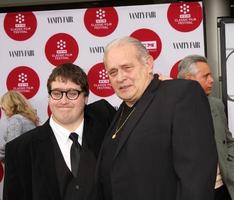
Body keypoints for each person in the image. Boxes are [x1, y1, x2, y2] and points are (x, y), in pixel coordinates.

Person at [96, 36, 218, 200]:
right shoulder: (121, 111)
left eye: (127, 67)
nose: (120, 77)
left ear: (148, 64)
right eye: (113, 72)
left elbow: (197, 177)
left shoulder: (181, 94)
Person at [3, 63, 116, 200]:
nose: (63, 101)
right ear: (49, 97)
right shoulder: (19, 150)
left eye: (72, 93)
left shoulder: (106, 121)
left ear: (85, 98)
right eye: (56, 93)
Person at [177, 54, 234, 200]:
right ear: (189, 79)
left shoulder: (216, 105)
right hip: (192, 192)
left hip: (222, 189)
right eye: (205, 76)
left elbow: (228, 141)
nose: (211, 80)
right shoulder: (171, 110)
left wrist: (232, 171)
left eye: (211, 75)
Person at [0, 90, 39, 161]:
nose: (3, 110)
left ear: (10, 105)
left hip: (18, 167)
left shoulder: (16, 120)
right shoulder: (29, 119)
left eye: (3, 107)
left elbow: (11, 148)